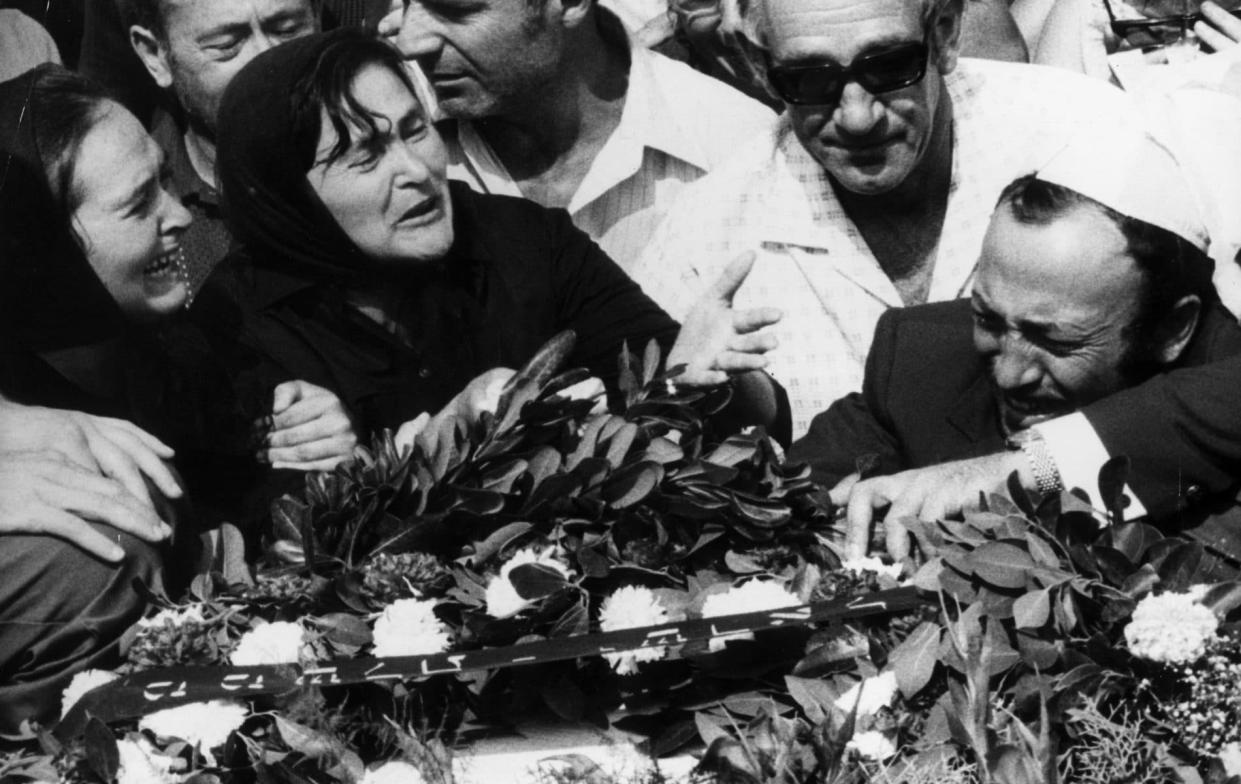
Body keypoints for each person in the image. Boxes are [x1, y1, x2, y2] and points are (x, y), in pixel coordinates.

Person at [210, 29, 786, 448]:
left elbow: (697, 399)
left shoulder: (524, 241)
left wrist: (719, 386)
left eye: (416, 131)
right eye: (365, 157)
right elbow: (257, 541)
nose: (415, 169)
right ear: (286, 196)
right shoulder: (234, 327)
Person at [0, 65, 357, 731]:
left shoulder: (201, 342)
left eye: (167, 178)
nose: (181, 214)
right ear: (38, 247)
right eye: (140, 204)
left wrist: (318, 447)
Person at [628, 0, 1138, 437]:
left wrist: (1040, 470)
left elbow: (1206, 393)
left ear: (944, 33)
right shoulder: (700, 242)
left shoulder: (1088, 140)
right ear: (759, 67)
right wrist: (690, 401)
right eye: (810, 78)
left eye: (890, 66)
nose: (857, 116)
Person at [789, 127, 1241, 563]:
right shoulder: (918, 358)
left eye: (1052, 338)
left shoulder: (1222, 369)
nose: (1007, 374)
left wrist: (1031, 468)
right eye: (987, 318)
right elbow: (785, 498)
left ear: (1173, 330)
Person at [394, 0, 776, 271]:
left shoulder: (741, 146)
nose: (409, 43)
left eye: (456, 9)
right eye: (407, 4)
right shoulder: (382, 142)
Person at [119, 0, 321, 292]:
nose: (269, 59)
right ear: (156, 56)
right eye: (227, 45)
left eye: (287, 30)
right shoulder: (137, 214)